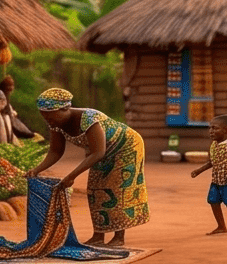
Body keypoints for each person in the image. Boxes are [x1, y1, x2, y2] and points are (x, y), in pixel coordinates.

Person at [28, 87, 149, 249]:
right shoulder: (55, 124)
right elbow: (56, 151)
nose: (49, 121)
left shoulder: (89, 119)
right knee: (95, 190)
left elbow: (98, 152)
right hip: (99, 152)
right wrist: (37, 169)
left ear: (65, 109)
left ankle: (119, 237)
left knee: (117, 189)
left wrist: (71, 176)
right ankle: (98, 235)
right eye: (45, 118)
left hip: (125, 147)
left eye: (51, 117)